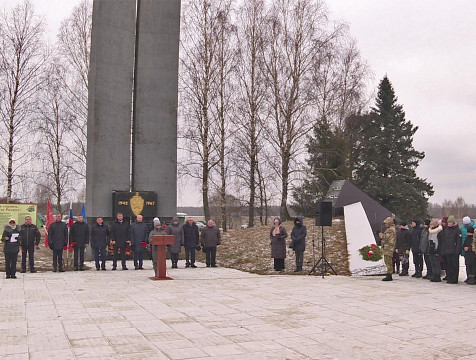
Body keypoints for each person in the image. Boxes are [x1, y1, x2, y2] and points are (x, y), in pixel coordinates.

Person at [441, 215, 462, 284]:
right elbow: (444, 241)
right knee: (448, 265)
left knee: (454, 265)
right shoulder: (446, 230)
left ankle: (454, 278)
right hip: (447, 251)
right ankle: (449, 277)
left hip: (454, 251)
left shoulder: (457, 230)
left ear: (453, 223)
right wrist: (443, 250)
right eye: (448, 223)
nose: (449, 224)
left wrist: (457, 251)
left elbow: (459, 242)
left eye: (450, 223)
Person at [379, 217, 396, 281]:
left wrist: (380, 234)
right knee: (387, 261)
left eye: (386, 223)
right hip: (387, 248)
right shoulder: (390, 229)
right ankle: (389, 274)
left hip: (388, 248)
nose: (385, 224)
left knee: (388, 262)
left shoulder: (390, 230)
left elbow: (385, 237)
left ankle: (389, 275)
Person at [461, 216, 475, 283]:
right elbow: (464, 243)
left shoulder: (473, 238)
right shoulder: (467, 236)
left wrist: (469, 248)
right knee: (467, 264)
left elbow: (473, 245)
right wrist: (464, 247)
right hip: (467, 253)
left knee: (472, 265)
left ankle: (473, 278)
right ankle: (468, 277)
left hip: (472, 253)